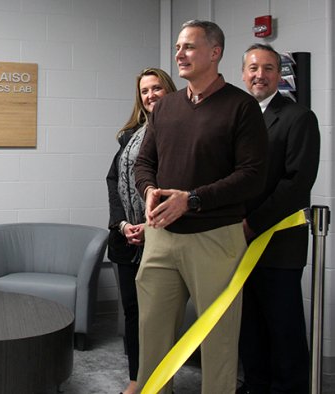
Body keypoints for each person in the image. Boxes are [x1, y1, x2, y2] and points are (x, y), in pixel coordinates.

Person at [133, 20, 268, 393]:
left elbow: (252, 176)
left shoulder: (242, 108)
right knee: (153, 337)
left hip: (215, 240)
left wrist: (191, 200)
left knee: (218, 341)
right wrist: (148, 191)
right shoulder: (166, 107)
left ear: (215, 53)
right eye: (178, 47)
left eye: (189, 47)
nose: (180, 54)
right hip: (161, 238)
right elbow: (144, 163)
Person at [237, 43, 320, 394]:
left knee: (282, 326)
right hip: (236, 243)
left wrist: (252, 222)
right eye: (254, 68)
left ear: (279, 74)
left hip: (277, 245)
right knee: (249, 324)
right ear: (244, 73)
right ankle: (255, 385)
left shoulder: (298, 117)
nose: (260, 75)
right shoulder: (238, 117)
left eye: (268, 68)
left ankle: (289, 388)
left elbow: (296, 182)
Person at [106, 67, 176, 394]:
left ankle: (162, 380)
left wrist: (151, 226)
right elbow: (113, 181)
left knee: (159, 317)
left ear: (169, 90)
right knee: (133, 313)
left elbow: (179, 183)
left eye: (156, 88)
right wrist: (123, 225)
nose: (150, 95)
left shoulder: (180, 130)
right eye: (145, 91)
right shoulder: (130, 136)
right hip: (126, 240)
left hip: (163, 237)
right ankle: (137, 379)